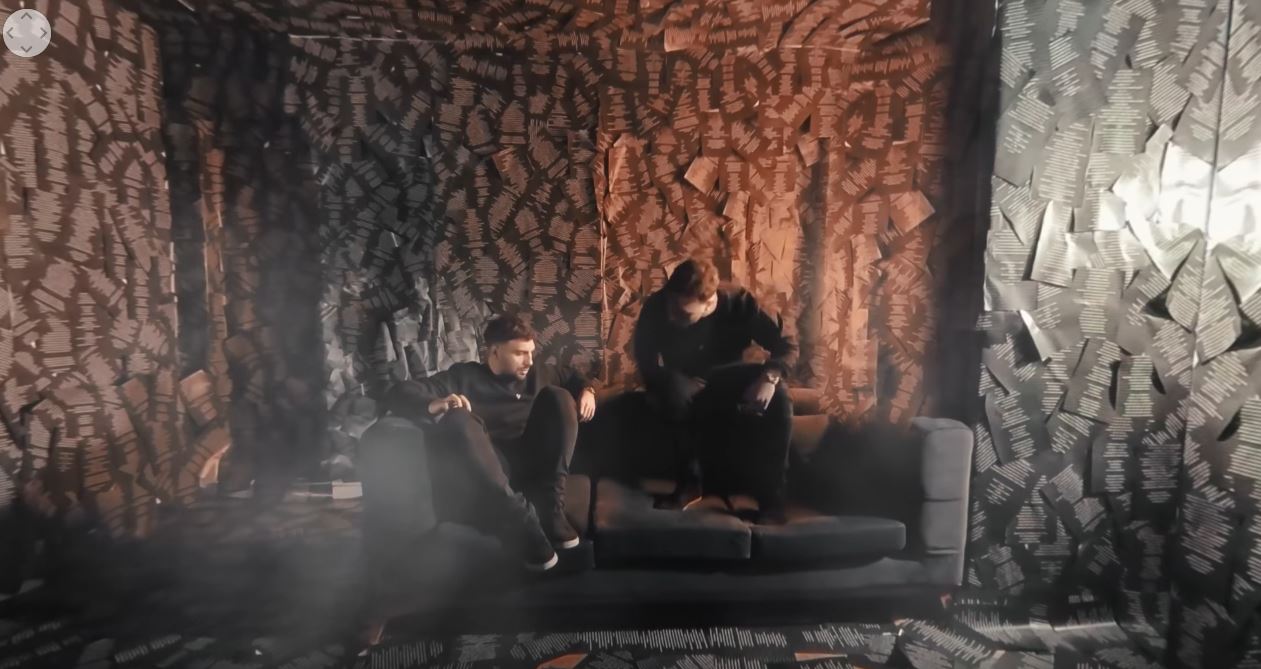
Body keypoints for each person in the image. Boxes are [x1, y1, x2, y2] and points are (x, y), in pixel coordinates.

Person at [379, 313, 598, 572]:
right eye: (520, 353)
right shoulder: (464, 376)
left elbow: (573, 377)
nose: (529, 361)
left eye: (531, 352)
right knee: (458, 417)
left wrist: (588, 391)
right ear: (494, 351)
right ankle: (522, 522)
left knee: (560, 396)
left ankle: (551, 510)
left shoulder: (539, 373)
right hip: (493, 469)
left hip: (536, 466)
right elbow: (399, 392)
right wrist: (435, 403)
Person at [632, 258, 797, 524]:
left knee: (779, 394)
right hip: (684, 383)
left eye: (683, 314)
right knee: (670, 385)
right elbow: (645, 358)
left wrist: (770, 377)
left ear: (709, 303)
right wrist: (658, 389)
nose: (672, 317)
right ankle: (690, 484)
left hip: (729, 381)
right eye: (672, 308)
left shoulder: (741, 302)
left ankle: (772, 502)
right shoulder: (657, 305)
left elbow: (787, 345)